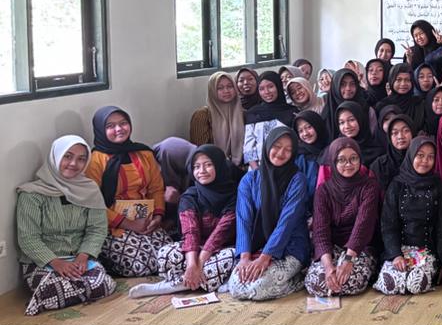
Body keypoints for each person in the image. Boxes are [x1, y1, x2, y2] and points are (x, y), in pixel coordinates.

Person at [16, 135, 114, 316]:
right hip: (42, 262)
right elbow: (28, 238)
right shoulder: (32, 194)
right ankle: (62, 294)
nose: (74, 163)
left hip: (79, 260)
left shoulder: (89, 190)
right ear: (55, 156)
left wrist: (83, 257)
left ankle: (62, 295)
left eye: (81, 159)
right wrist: (56, 263)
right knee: (51, 289)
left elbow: (97, 229)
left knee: (103, 283)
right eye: (67, 156)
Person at [128, 145, 239, 298]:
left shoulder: (234, 195)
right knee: (165, 253)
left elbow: (221, 233)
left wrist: (199, 263)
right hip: (195, 247)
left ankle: (172, 285)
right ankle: (201, 280)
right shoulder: (190, 196)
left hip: (223, 247)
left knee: (231, 257)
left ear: (219, 166)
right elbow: (190, 231)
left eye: (208, 165)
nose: (202, 171)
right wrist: (192, 264)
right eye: (196, 167)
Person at [226, 127, 310, 301]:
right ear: (267, 146)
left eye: (288, 149)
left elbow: (286, 223)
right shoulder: (249, 180)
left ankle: (298, 280)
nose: (281, 153)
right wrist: (245, 257)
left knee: (258, 289)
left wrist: (265, 257)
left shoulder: (297, 180)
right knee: (236, 288)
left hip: (290, 247)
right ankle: (282, 279)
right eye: (277, 146)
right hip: (257, 246)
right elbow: (243, 220)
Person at [85, 106, 169, 277]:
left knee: (168, 257)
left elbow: (156, 188)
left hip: (146, 221)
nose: (119, 129)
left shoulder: (143, 153)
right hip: (112, 225)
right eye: (110, 126)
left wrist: (158, 216)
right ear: (100, 130)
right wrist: (129, 224)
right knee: (140, 266)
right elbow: (93, 204)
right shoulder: (95, 161)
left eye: (123, 123)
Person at [304, 138, 380, 297]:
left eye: (353, 158)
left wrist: (348, 260)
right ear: (333, 161)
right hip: (333, 248)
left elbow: (363, 225)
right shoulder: (323, 191)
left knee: (351, 282)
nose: (348, 164)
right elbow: (320, 230)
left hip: (360, 248)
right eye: (341, 160)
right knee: (315, 283)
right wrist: (328, 266)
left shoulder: (369, 186)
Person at [376, 137, 442, 295]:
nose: (425, 161)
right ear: (411, 156)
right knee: (389, 285)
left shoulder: (439, 186)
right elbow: (388, 225)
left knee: (415, 284)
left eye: (430, 157)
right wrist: (396, 255)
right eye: (420, 155)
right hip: (399, 250)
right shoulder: (397, 185)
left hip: (427, 251)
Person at [189, 71, 245, 167]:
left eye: (230, 86)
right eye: (220, 88)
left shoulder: (243, 113)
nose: (226, 91)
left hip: (241, 167)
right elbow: (201, 150)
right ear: (212, 91)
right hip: (212, 168)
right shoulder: (202, 115)